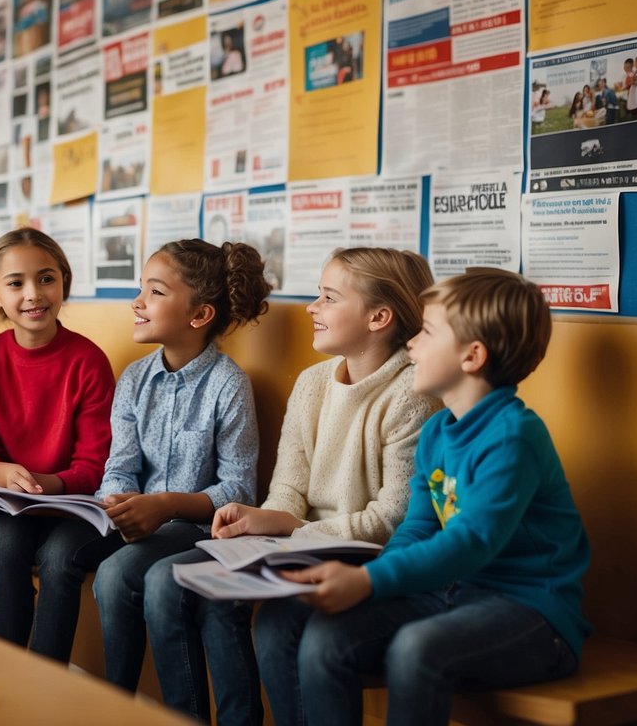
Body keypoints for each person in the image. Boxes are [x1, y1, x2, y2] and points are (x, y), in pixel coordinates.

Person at [144, 247, 442, 726]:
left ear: (379, 317)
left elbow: (394, 521)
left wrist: (293, 529)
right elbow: (287, 488)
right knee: (171, 581)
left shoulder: (413, 394)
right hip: (297, 544)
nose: (310, 307)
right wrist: (260, 519)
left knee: (278, 623)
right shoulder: (312, 382)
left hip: (363, 557)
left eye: (328, 298)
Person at [285, 268, 591, 726]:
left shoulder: (514, 436)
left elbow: (471, 542)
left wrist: (368, 582)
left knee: (416, 649)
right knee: (328, 637)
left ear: (472, 356)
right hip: (452, 594)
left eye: (426, 332)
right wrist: (373, 579)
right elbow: (419, 527)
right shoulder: (436, 432)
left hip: (532, 613)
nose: (411, 343)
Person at [93, 240, 269, 691]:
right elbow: (121, 464)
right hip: (148, 525)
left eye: (155, 292)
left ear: (199, 315)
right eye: (141, 289)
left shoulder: (228, 384)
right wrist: (117, 498)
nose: (138, 302)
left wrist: (165, 504)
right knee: (112, 578)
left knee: (155, 580)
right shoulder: (134, 379)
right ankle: (117, 705)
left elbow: (239, 490)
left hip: (202, 528)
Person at [0, 227, 116, 661]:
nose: (33, 294)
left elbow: (95, 462)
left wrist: (44, 483)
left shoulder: (88, 361)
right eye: (16, 283)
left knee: (9, 542)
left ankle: (24, 670)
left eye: (46, 279)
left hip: (64, 502)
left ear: (63, 283)